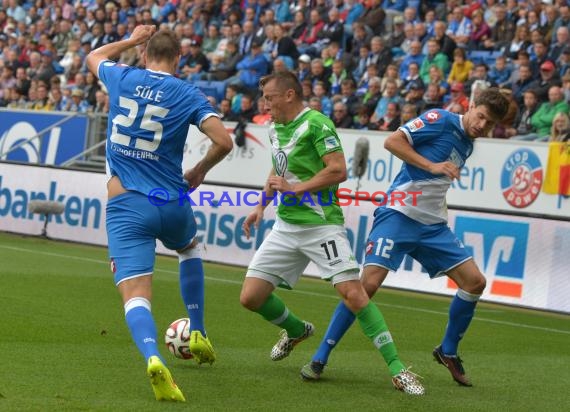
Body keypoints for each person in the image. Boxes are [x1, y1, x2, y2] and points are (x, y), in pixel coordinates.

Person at [303, 88, 510, 388]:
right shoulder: (440, 119)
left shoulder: (467, 142)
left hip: (432, 227)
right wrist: (431, 166)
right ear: (471, 105)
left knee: (475, 282)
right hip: (398, 215)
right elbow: (392, 141)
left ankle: (448, 351)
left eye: (489, 124)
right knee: (367, 286)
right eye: (480, 117)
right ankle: (321, 355)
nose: (482, 126)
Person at [239, 71, 424, 396]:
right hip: (285, 226)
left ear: (289, 95)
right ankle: (296, 331)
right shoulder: (275, 128)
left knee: (354, 295)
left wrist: (298, 189)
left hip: (321, 225)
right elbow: (278, 169)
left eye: (269, 97)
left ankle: (398, 369)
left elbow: (338, 169)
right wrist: (260, 206)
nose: (265, 104)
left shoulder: (317, 124)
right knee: (250, 298)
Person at [85, 26, 233, 402]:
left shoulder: (123, 75)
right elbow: (224, 141)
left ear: (146, 55)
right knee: (189, 248)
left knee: (136, 294)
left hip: (127, 204)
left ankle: (153, 358)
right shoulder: (187, 93)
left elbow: (93, 57)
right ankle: (197, 329)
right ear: (179, 59)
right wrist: (200, 170)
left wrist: (131, 41)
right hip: (172, 202)